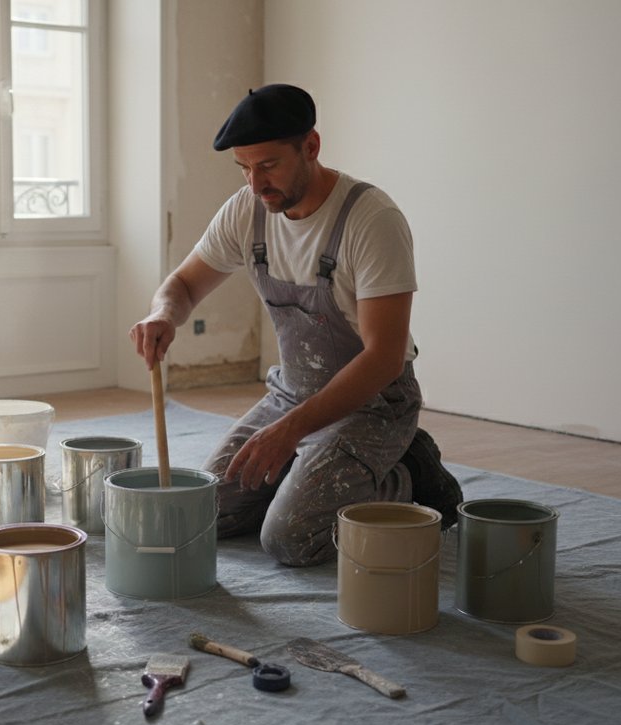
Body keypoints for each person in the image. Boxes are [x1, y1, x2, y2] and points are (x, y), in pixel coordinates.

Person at [129, 84, 462, 567]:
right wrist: (162, 313)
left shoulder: (371, 221)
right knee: (204, 515)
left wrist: (289, 433)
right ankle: (314, 475)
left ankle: (408, 473)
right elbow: (182, 284)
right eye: (244, 168)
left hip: (374, 405)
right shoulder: (248, 211)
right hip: (294, 394)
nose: (255, 183)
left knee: (291, 538)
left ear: (311, 147)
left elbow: (385, 357)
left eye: (268, 165)